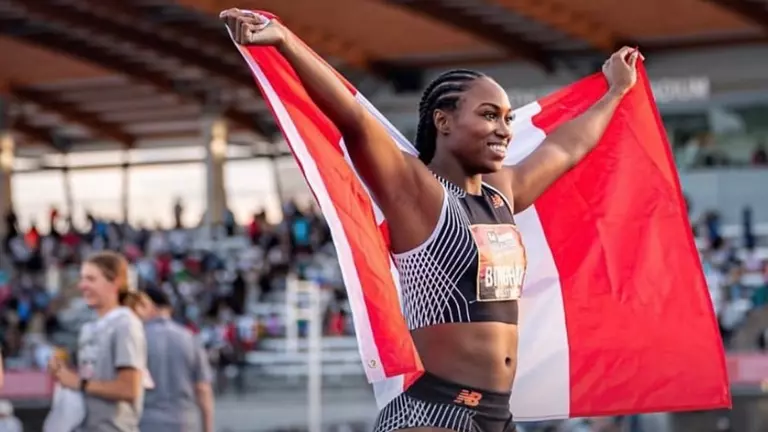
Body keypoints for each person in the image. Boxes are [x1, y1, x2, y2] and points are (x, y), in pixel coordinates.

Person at [221, 9, 638, 432]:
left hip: (496, 415)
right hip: (435, 412)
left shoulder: (502, 192)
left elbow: (566, 149)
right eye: (489, 115)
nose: (504, 129)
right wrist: (285, 41)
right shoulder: (417, 192)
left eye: (507, 118)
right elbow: (355, 120)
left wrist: (616, 93)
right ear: (443, 120)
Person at [48, 251, 148, 432]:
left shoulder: (125, 324)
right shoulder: (90, 327)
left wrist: (78, 383)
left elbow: (130, 389)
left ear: (115, 282)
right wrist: (63, 373)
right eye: (82, 279)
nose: (82, 285)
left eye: (91, 279)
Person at [133, 288, 215, 432]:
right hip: (184, 422)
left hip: (146, 422)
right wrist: (207, 429)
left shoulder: (137, 338)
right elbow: (203, 388)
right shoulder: (190, 338)